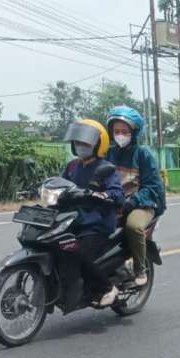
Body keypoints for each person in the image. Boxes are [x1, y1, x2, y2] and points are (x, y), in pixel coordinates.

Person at [60, 119, 125, 307]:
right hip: (74, 220)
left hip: (96, 223)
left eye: (86, 143)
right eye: (78, 142)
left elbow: (118, 194)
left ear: (98, 144)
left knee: (81, 254)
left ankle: (107, 287)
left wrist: (103, 194)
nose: (81, 146)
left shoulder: (105, 168)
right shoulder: (72, 166)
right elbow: (61, 184)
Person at [104, 106, 166, 287]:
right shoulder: (109, 153)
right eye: (116, 131)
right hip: (115, 201)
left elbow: (153, 187)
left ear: (134, 132)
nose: (120, 135)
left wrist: (131, 202)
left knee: (133, 226)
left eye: (124, 131)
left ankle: (140, 269)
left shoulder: (143, 154)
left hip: (142, 203)